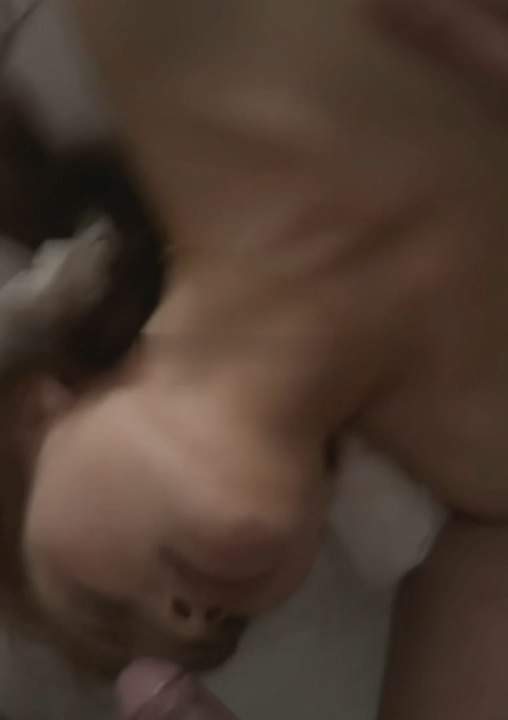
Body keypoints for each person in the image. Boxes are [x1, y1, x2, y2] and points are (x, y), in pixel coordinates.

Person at [19, 0, 508, 718]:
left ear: (39, 411)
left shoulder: (175, 47)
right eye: (226, 626)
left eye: (101, 605)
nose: (188, 620)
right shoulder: (488, 468)